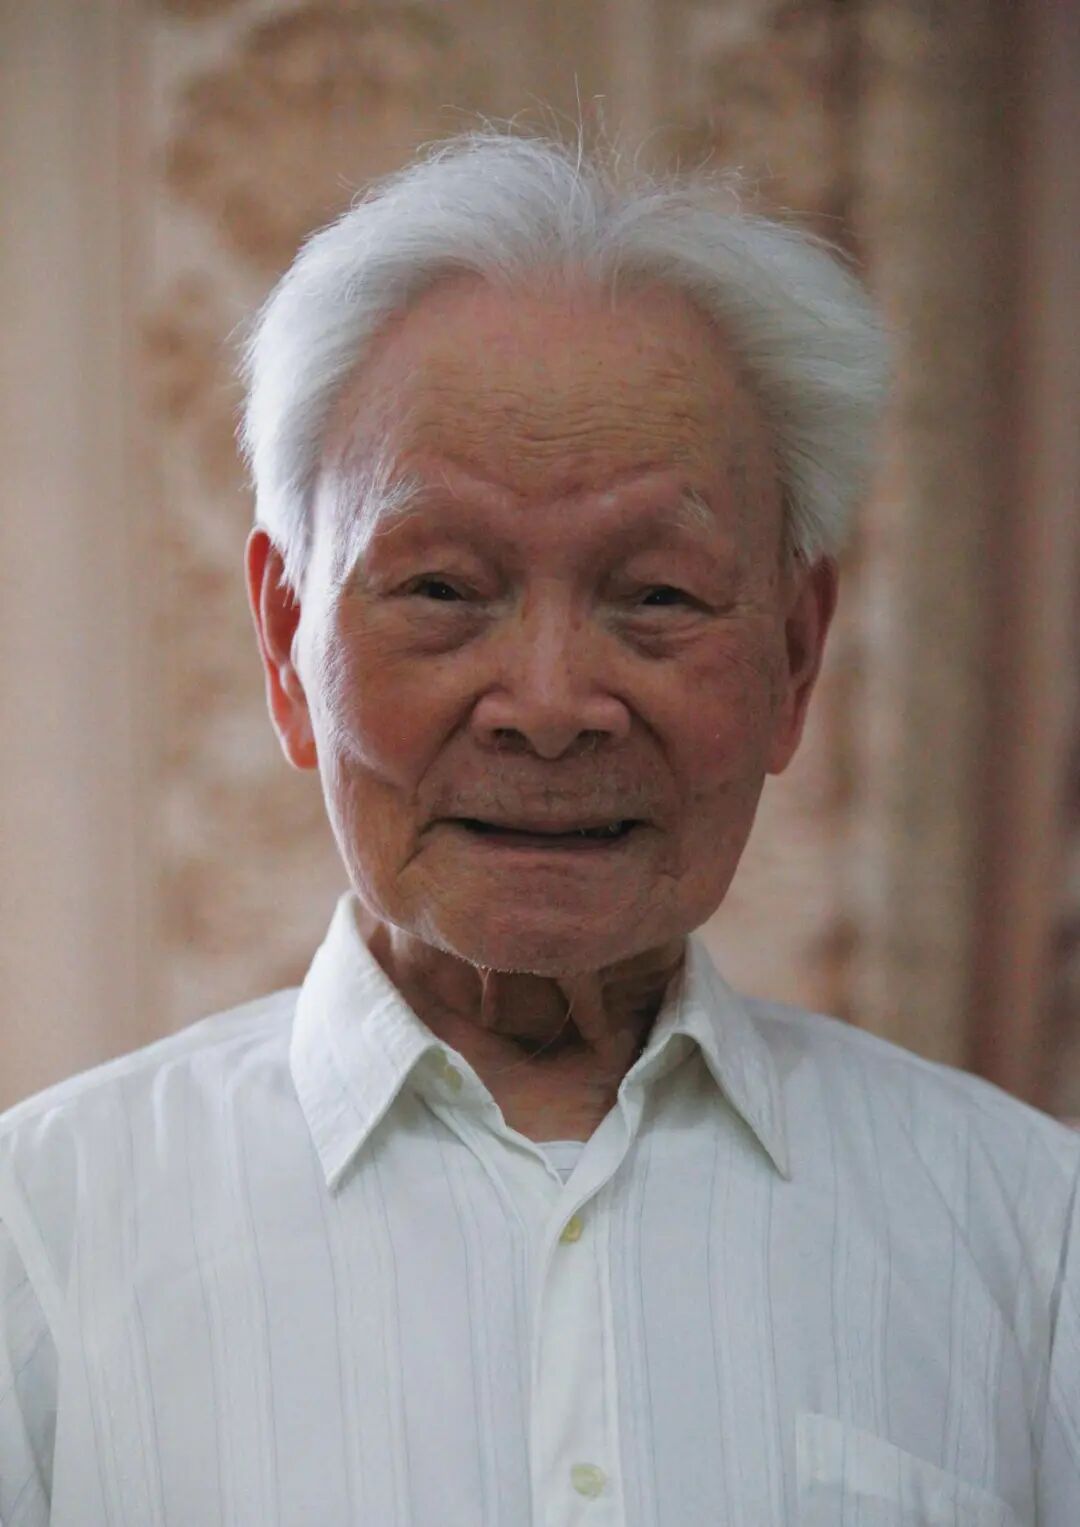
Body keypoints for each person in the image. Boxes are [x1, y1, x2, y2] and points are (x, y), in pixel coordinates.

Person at [1, 129, 1076, 1527]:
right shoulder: (38, 1241)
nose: (553, 707)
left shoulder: (1034, 1236)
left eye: (659, 596)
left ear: (796, 655)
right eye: (444, 589)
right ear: (286, 645)